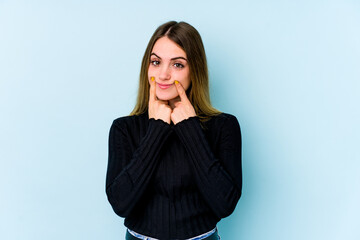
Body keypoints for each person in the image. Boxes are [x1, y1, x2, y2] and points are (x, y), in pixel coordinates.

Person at [106, 21, 242, 240]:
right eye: (156, 62)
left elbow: (225, 204)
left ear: (194, 70)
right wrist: (157, 130)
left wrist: (190, 129)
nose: (163, 75)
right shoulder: (124, 128)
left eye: (177, 64)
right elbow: (121, 204)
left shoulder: (224, 126)